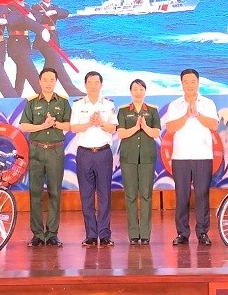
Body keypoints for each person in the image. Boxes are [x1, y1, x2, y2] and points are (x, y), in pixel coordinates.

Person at [165, 68, 218, 247]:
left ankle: (202, 232)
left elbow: (214, 125)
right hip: (180, 157)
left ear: (198, 82)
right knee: (182, 196)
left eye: (193, 81)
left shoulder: (208, 103)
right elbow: (170, 128)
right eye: (186, 82)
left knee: (202, 195)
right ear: (181, 84)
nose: (189, 85)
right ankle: (182, 233)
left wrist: (198, 114)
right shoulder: (175, 105)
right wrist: (187, 115)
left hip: (203, 155)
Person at [19, 67, 71, 247]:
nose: (48, 83)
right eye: (45, 80)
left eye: (52, 80)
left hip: (56, 151)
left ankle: (52, 233)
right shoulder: (32, 102)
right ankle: (37, 234)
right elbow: (24, 126)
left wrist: (54, 123)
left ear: (56, 81)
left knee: (55, 192)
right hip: (37, 150)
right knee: (35, 193)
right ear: (39, 81)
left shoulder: (63, 102)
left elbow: (69, 125)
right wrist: (43, 125)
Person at [70, 71, 117, 247]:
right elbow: (74, 128)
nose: (93, 86)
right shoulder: (78, 105)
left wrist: (101, 122)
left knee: (104, 195)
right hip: (84, 154)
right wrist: (89, 123)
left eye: (96, 82)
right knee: (86, 196)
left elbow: (113, 128)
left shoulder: (108, 104)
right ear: (85, 85)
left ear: (101, 84)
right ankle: (90, 234)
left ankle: (104, 234)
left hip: (103, 153)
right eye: (90, 82)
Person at [116, 79, 161, 245]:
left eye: (141, 89)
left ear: (145, 91)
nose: (138, 92)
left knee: (146, 195)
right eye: (135, 89)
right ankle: (134, 234)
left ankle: (145, 234)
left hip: (147, 157)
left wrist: (145, 127)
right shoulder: (123, 111)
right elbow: (121, 133)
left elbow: (156, 133)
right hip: (129, 157)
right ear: (130, 92)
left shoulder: (152, 111)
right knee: (130, 195)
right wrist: (136, 127)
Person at [32, 0, 83, 97]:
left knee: (49, 67)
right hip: (43, 40)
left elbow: (66, 13)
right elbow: (35, 18)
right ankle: (72, 92)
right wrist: (44, 15)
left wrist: (55, 12)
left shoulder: (54, 7)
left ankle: (40, 91)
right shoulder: (36, 7)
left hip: (54, 39)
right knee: (58, 65)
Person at [6, 0, 42, 96]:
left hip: (25, 46)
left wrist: (33, 16)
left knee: (21, 78)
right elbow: (12, 21)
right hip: (16, 47)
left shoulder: (27, 7)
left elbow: (38, 17)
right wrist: (26, 17)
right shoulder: (10, 7)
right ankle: (47, 100)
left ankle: (15, 101)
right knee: (33, 76)